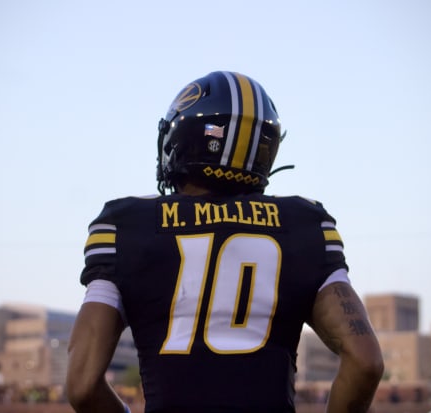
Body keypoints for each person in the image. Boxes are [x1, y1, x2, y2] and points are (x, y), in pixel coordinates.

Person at [66, 71, 385, 413]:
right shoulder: (305, 224)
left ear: (179, 138)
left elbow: (82, 386)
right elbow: (365, 362)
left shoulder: (127, 224)